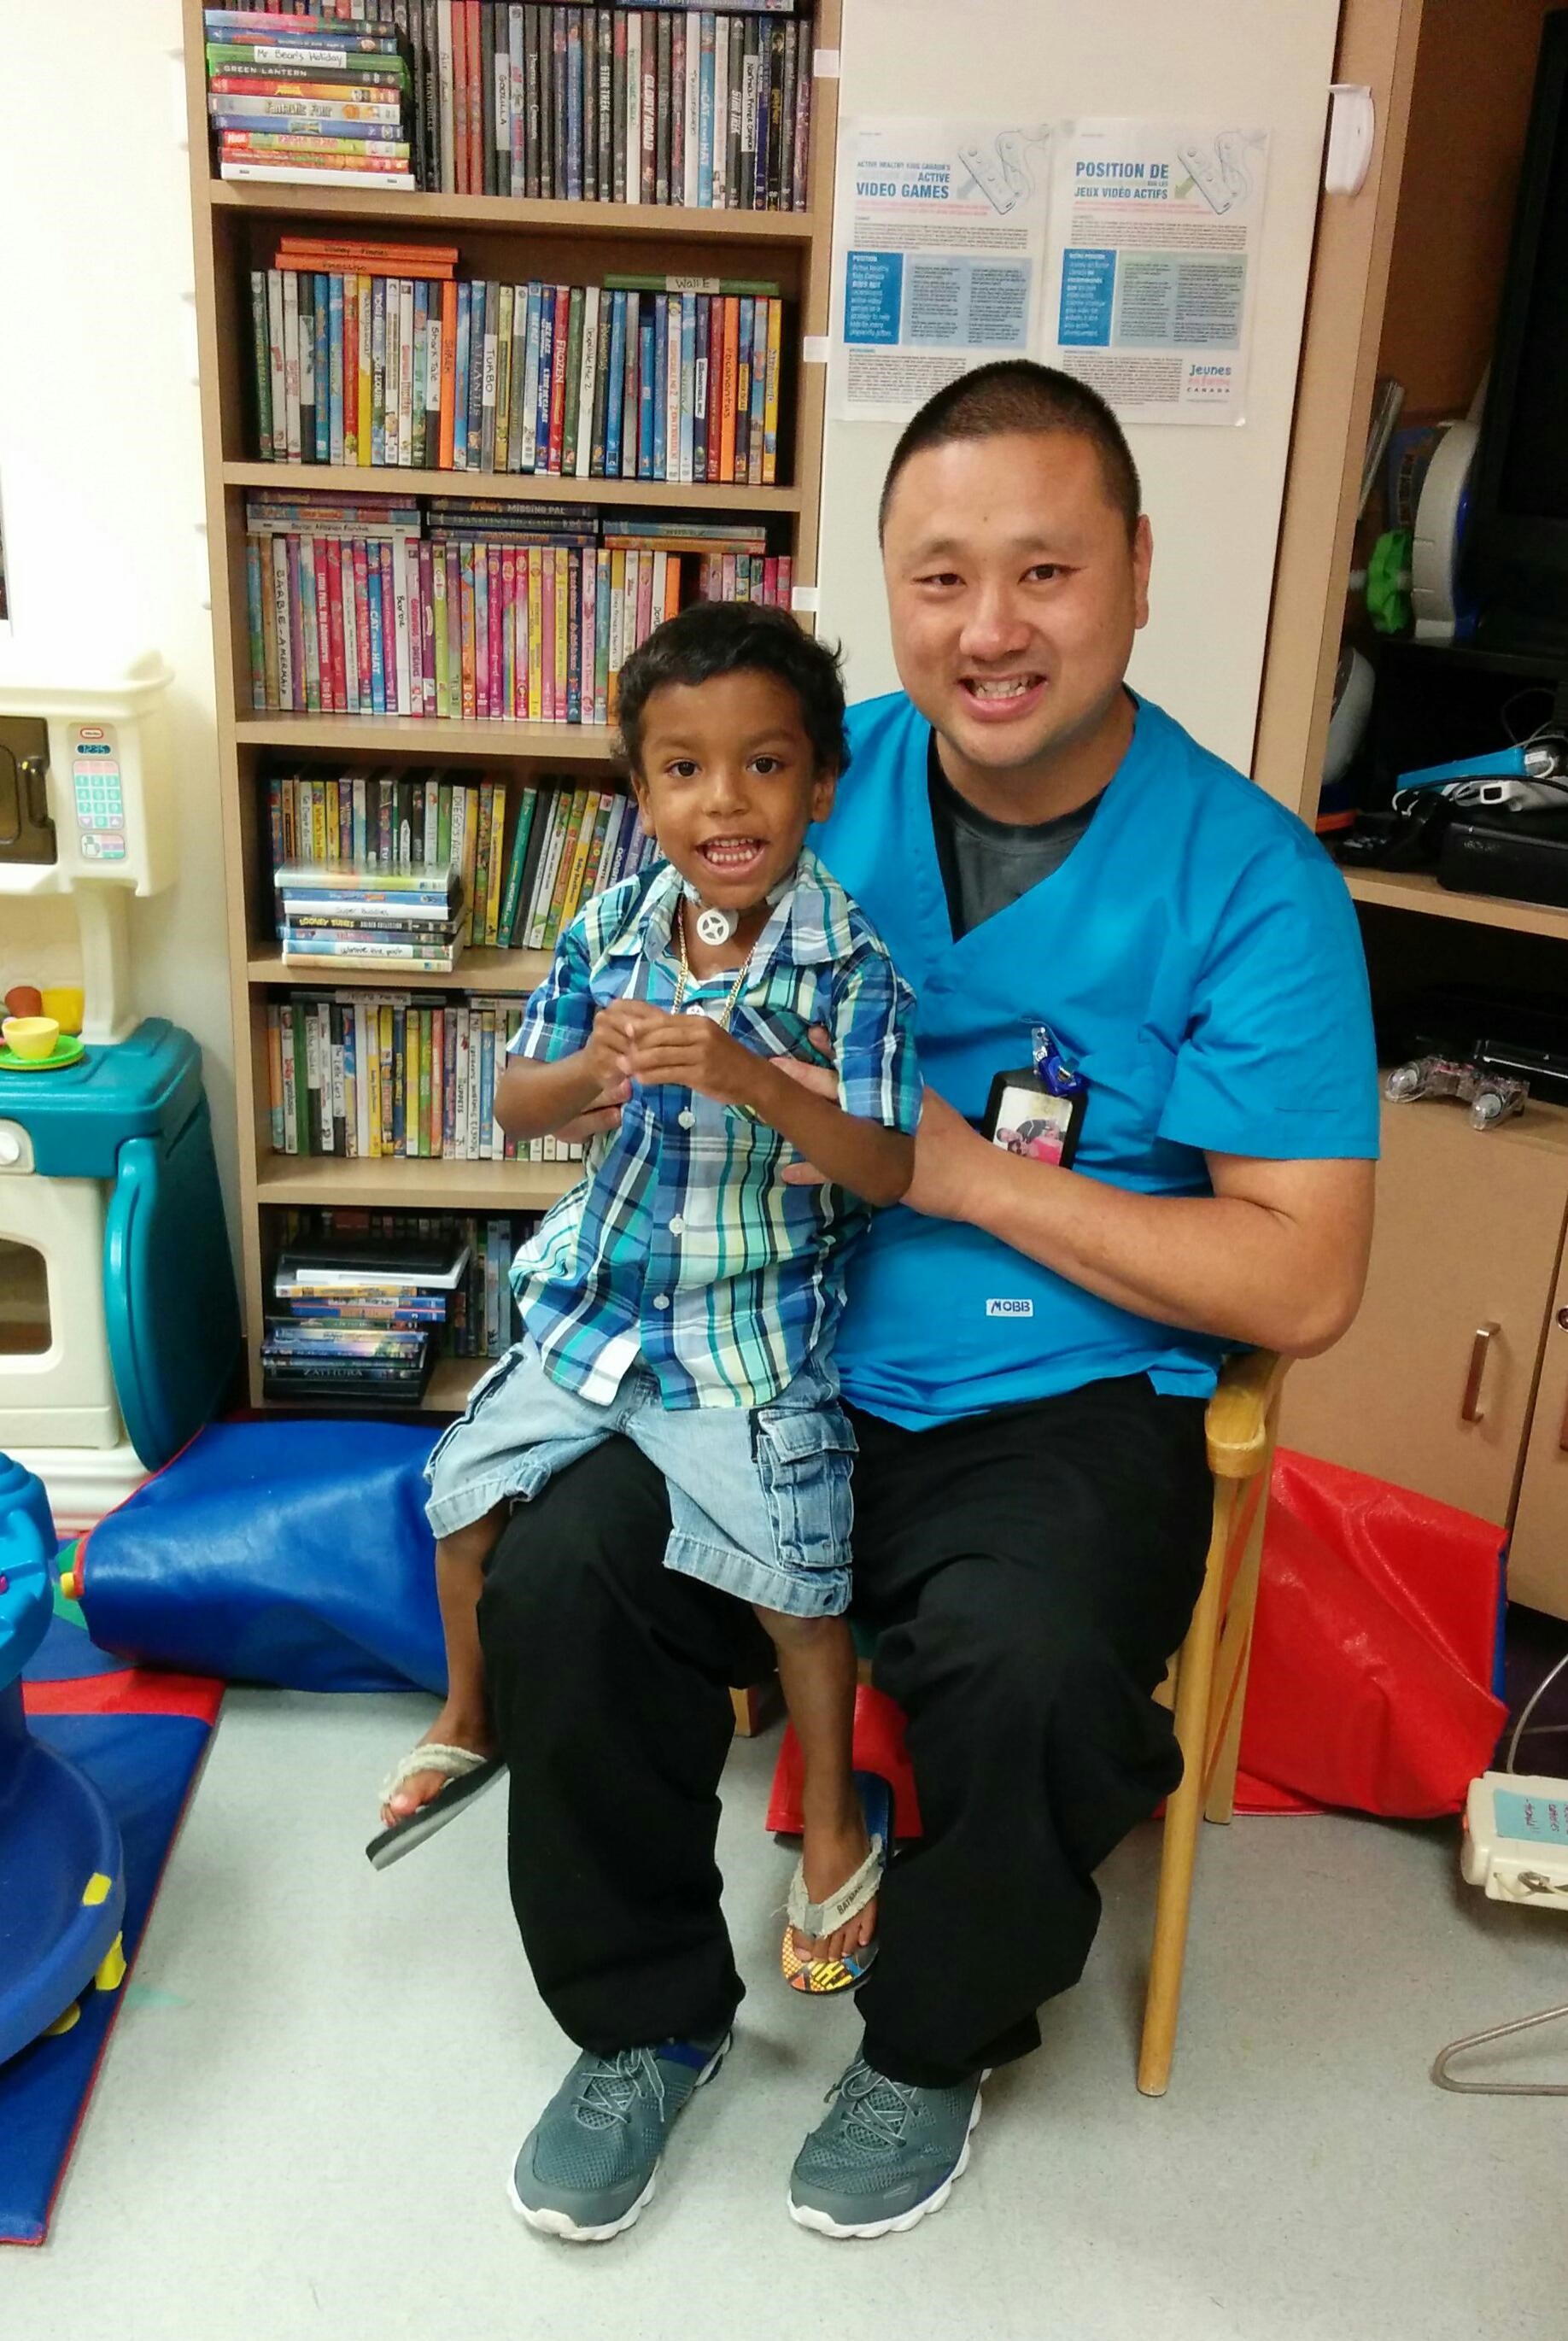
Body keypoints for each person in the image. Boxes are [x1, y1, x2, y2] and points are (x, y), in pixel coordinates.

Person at [477, 360, 1379, 2244]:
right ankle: (644, 2021)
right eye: (941, 577)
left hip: (1052, 1390)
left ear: (1137, 570)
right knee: (568, 1572)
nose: (991, 631)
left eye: (1044, 572)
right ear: (882, 592)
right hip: (755, 1332)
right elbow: (612, 1007)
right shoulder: (795, 772)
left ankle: (929, 2042)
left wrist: (963, 1170)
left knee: (1034, 1663)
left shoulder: (1255, 886)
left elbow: (1303, 1274)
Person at [377, 601, 921, 1994]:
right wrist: (593, 1074)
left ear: (822, 783)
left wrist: (750, 1074)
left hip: (744, 1330)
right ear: (640, 792)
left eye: (764, 765)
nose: (723, 801)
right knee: (462, 1506)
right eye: (683, 769)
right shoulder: (612, 925)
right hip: (598, 1300)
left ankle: (836, 1822)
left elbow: (885, 1162)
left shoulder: (849, 964)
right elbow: (518, 1102)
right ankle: (467, 1713)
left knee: (801, 1592)